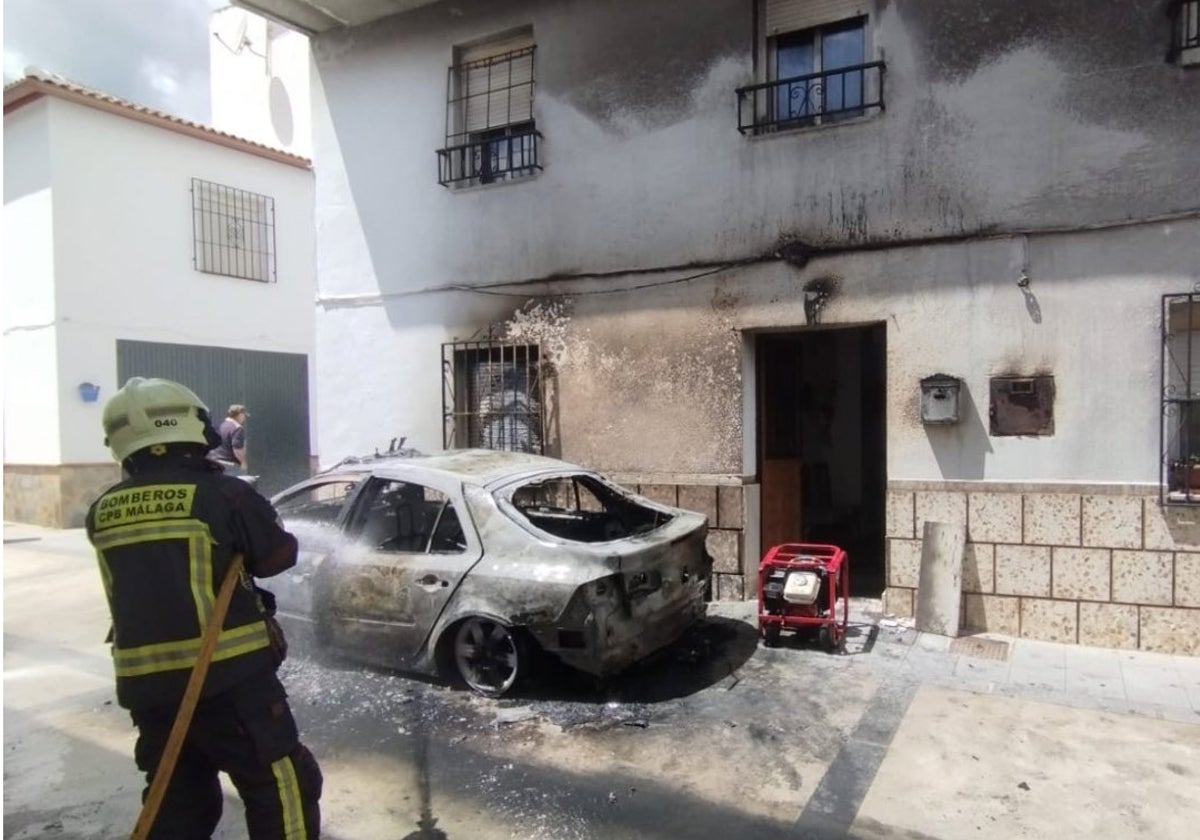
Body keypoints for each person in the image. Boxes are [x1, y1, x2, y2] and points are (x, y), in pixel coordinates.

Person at [85, 377, 321, 839]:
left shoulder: (103, 508)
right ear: (189, 428)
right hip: (229, 680)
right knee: (283, 785)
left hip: (148, 689)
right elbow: (276, 558)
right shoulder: (223, 496)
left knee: (179, 800)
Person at [210, 404, 250, 476]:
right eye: (244, 416)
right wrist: (243, 462)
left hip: (215, 463)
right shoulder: (237, 428)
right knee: (236, 486)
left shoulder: (219, 425)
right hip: (230, 466)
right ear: (240, 415)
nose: (244, 419)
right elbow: (237, 449)